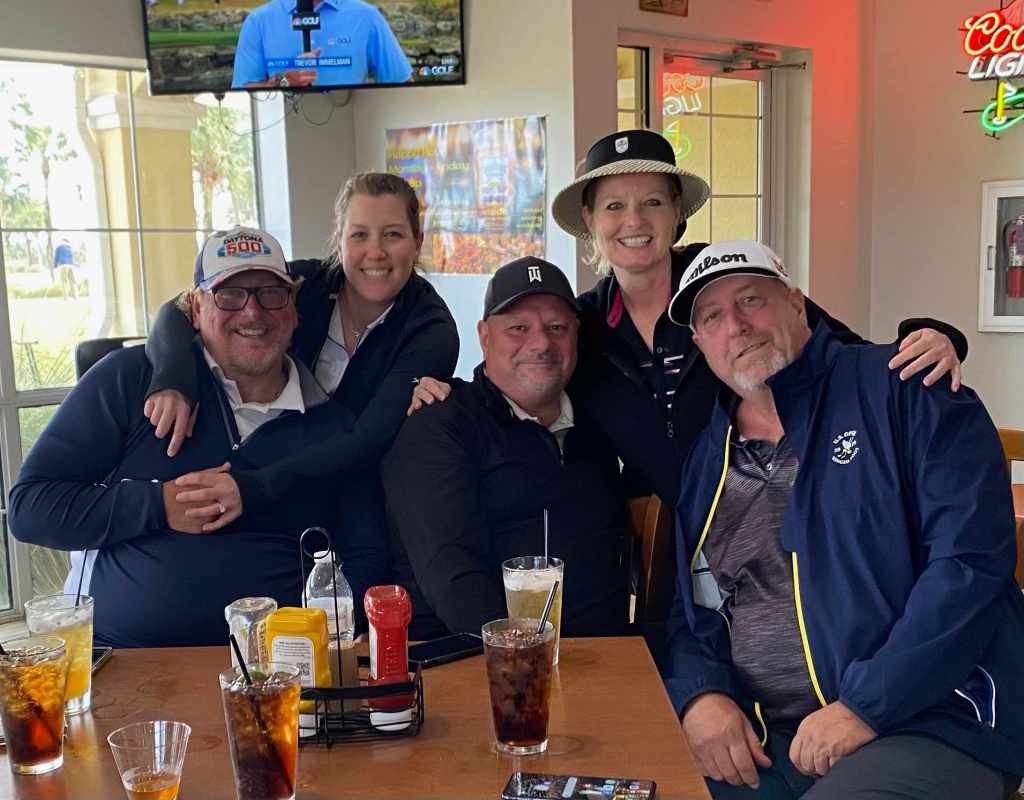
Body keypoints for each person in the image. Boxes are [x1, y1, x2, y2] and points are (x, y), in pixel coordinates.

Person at [411, 129, 967, 513]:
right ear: (589, 218)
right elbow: (520, 384)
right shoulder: (582, 325)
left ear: (677, 212)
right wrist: (448, 394)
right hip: (674, 542)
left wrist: (934, 338)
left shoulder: (730, 289)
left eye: (652, 202)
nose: (634, 221)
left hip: (791, 507)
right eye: (614, 206)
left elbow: (840, 354)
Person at [661, 240, 1024, 799]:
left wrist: (864, 707)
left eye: (752, 299)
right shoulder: (709, 460)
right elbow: (693, 610)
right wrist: (702, 695)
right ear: (699, 343)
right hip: (768, 740)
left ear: (797, 304)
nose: (736, 326)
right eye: (712, 317)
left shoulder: (905, 386)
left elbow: (970, 565)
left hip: (933, 722)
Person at [8, 227, 376, 648]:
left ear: (293, 310)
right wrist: (158, 504)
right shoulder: (129, 380)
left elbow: (365, 552)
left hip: (281, 668)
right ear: (196, 309)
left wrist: (333, 646)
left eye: (271, 294)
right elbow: (30, 508)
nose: (252, 313)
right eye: (229, 295)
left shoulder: (332, 426)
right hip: (128, 659)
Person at [140, 173, 459, 627]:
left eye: (393, 234)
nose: (376, 252)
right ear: (338, 240)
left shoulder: (431, 330)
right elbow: (178, 308)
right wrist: (173, 378)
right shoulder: (300, 285)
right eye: (359, 235)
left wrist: (252, 488)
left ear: (417, 241)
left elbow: (365, 440)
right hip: (261, 473)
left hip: (354, 502)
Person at [382, 257, 630, 640]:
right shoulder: (439, 427)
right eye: (518, 328)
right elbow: (456, 583)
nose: (541, 343)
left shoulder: (598, 426)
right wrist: (527, 660)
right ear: (484, 336)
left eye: (557, 327)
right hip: (475, 660)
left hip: (606, 655)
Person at [232, 0, 413, 89]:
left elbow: (402, 86)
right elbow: (243, 93)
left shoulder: (367, 17)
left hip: (354, 129)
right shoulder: (258, 22)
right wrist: (282, 81)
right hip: (282, 135)